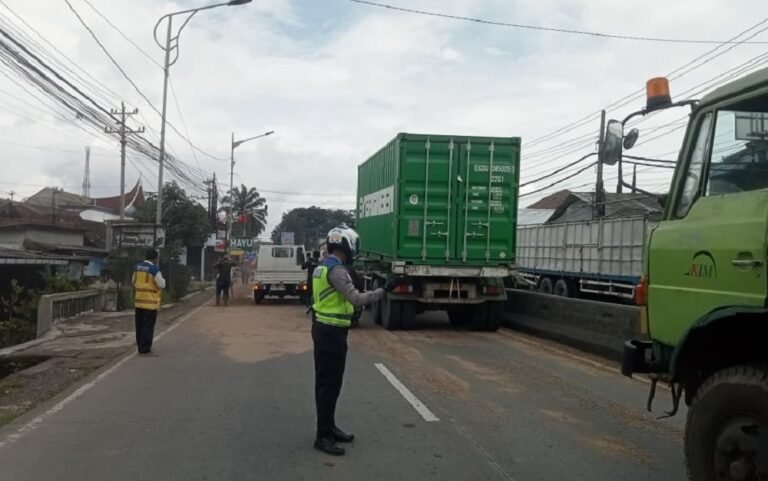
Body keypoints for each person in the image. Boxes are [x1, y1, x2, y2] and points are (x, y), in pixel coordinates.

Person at [311, 226, 403, 456]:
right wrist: (385, 289)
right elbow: (357, 299)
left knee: (328, 384)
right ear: (348, 246)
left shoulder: (323, 267)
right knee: (329, 386)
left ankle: (329, 427)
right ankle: (323, 436)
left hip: (325, 329)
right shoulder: (337, 271)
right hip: (331, 332)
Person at [132, 249, 166, 356]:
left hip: (138, 302)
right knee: (148, 327)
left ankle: (140, 347)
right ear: (155, 258)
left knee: (139, 326)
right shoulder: (154, 269)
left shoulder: (137, 267)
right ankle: (145, 349)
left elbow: (133, 282)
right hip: (150, 303)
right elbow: (161, 284)